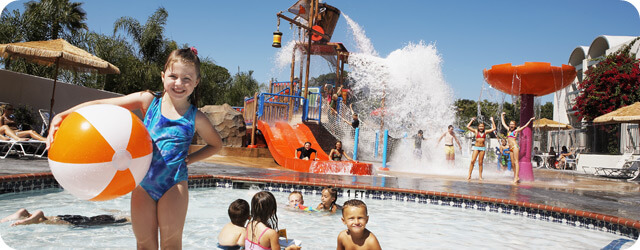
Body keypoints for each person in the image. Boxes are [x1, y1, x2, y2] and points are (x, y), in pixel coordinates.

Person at [47, 48, 223, 249]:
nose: (179, 83)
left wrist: (191, 159)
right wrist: (63, 115)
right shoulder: (149, 101)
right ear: (163, 75)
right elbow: (103, 104)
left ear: (197, 82)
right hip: (142, 183)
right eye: (173, 76)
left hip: (173, 185)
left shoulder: (196, 117)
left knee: (171, 244)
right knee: (144, 243)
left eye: (186, 78)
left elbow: (216, 144)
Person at [501, 112, 535, 183]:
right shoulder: (508, 130)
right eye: (510, 124)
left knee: (516, 162)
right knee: (512, 163)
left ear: (515, 125)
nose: (511, 125)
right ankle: (516, 176)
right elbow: (503, 123)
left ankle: (516, 177)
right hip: (510, 148)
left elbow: (524, 126)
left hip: (515, 147)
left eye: (513, 124)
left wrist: (530, 120)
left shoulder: (516, 131)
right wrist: (502, 116)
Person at [0, 208, 129, 227]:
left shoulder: (115, 214)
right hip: (86, 220)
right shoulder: (124, 219)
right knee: (65, 223)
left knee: (59, 218)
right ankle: (38, 218)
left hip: (83, 217)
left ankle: (24, 214)